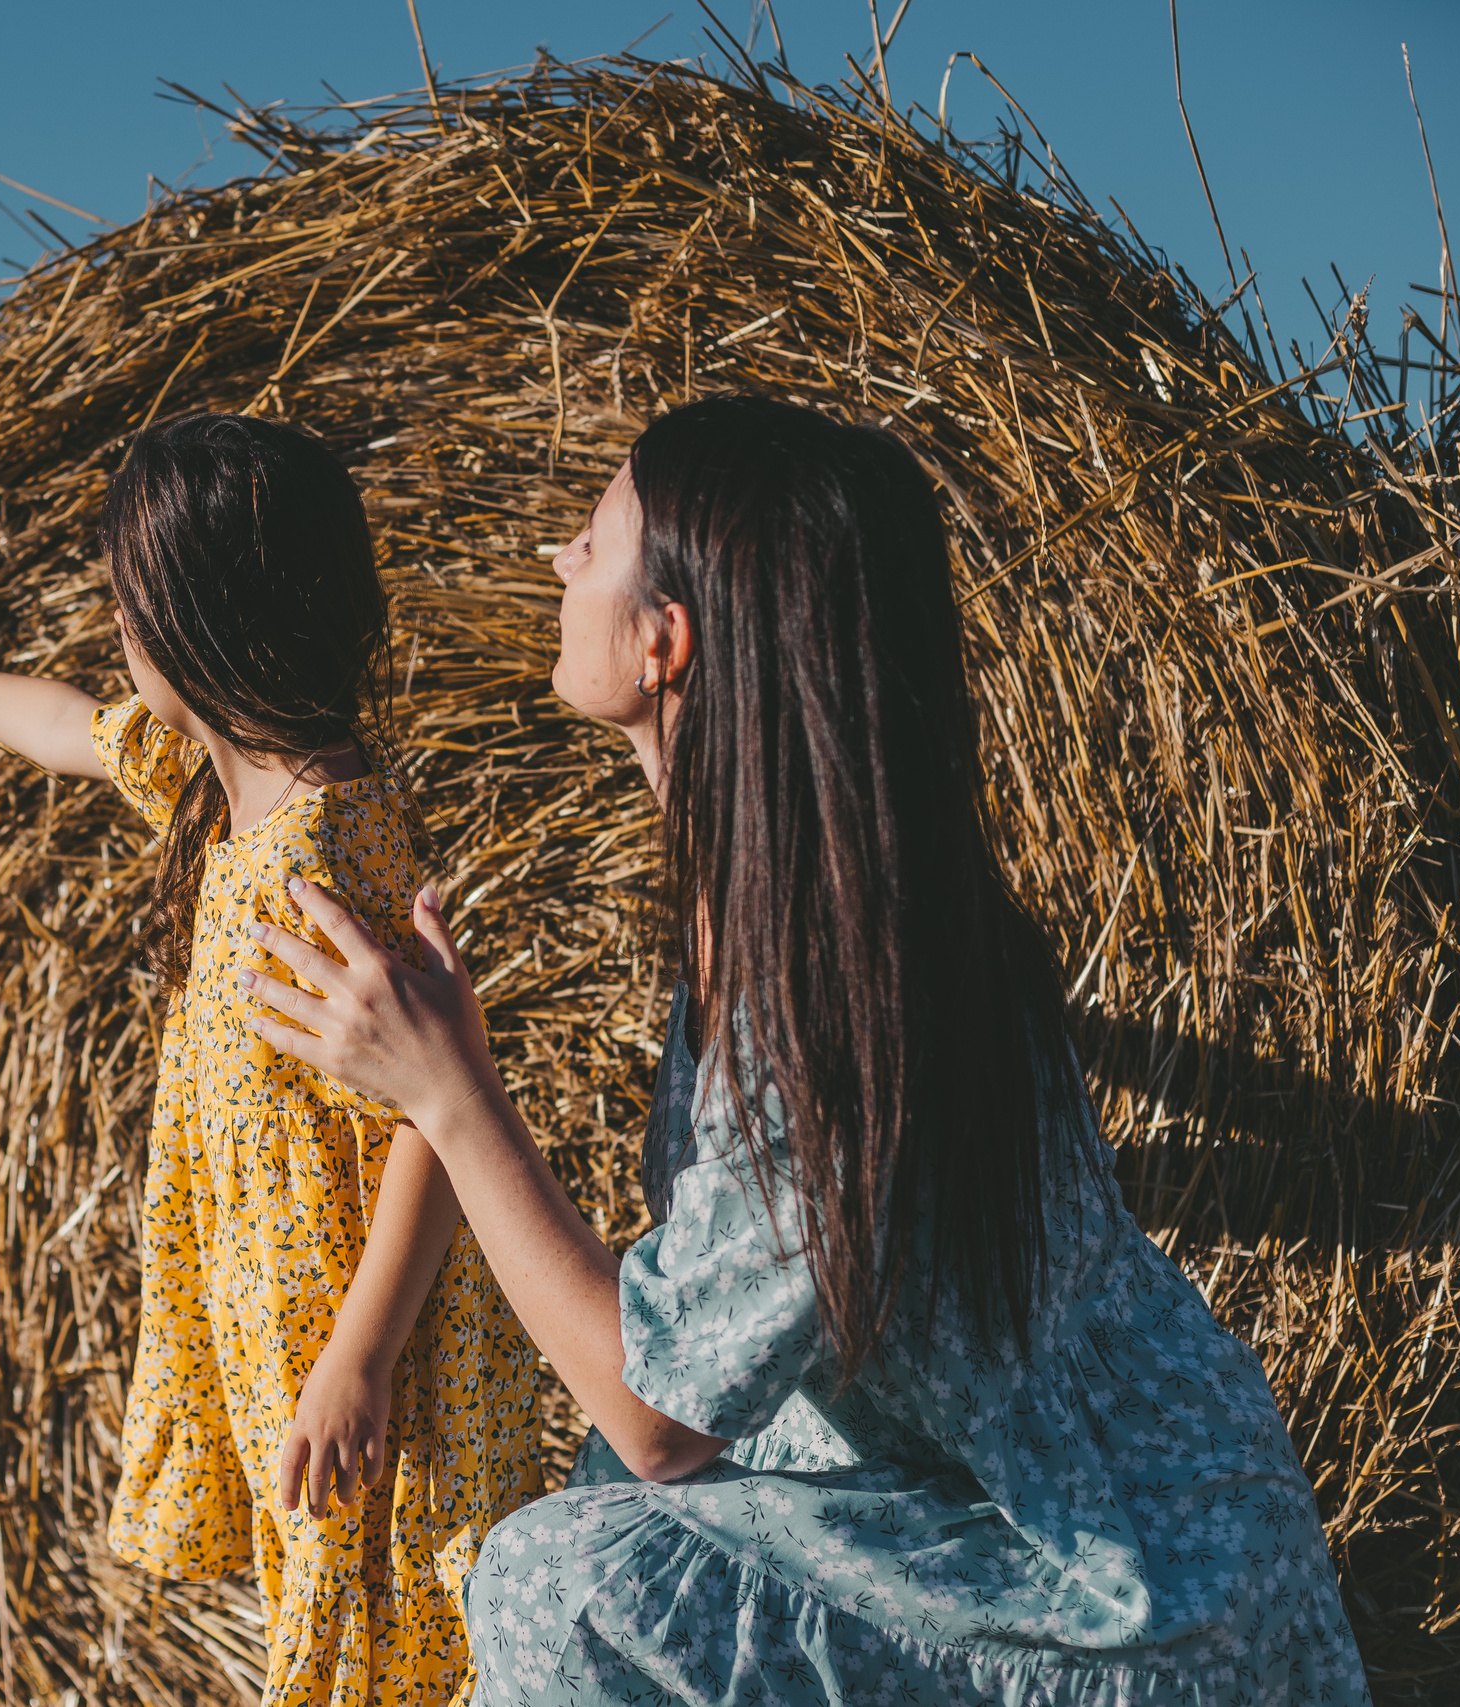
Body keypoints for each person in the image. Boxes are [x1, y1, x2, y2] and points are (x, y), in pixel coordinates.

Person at [237, 396, 1371, 1704]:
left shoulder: (825, 969)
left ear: (667, 641)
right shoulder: (834, 907)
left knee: (560, 1583)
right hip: (1035, 1523)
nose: (557, 561)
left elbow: (658, 1418)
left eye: (594, 545)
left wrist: (451, 1094)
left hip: (1116, 1597)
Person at [0, 413, 542, 1707]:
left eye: (128, 605)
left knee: (382, 1636)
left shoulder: (333, 853)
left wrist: (361, 1356)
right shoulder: (216, 791)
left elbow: (430, 1127)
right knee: (330, 1616)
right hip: (274, 1308)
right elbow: (67, 727)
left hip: (361, 1321)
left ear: (196, 620)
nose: (117, 636)